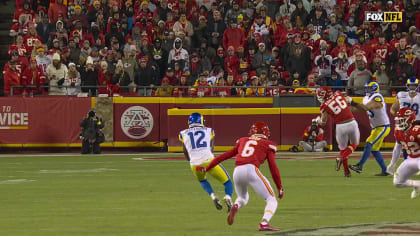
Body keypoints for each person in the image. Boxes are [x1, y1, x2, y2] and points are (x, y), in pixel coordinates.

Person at [196, 122, 283, 231]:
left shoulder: (243, 140)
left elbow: (223, 156)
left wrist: (207, 168)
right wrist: (279, 187)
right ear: (266, 133)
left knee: (242, 198)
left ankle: (236, 205)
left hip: (237, 171)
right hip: (251, 169)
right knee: (272, 200)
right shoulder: (268, 144)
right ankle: (264, 223)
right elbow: (273, 167)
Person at [178, 113, 233, 211]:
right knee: (227, 182)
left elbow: (185, 151)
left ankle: (213, 196)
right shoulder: (209, 130)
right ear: (201, 121)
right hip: (208, 160)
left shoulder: (183, 133)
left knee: (202, 180)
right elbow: (211, 148)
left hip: (194, 163)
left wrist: (191, 160)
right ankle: (228, 197)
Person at [348, 82, 391, 176]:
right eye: (366, 88)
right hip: (376, 127)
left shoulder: (377, 96)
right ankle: (385, 171)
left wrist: (353, 102)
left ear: (375, 89)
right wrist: (344, 106)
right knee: (374, 149)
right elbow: (357, 109)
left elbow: (366, 108)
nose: (367, 90)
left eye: (369, 88)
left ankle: (360, 166)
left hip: (383, 126)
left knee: (369, 142)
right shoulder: (366, 98)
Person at [316, 86, 360, 177]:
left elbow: (323, 122)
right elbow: (347, 100)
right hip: (352, 122)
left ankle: (346, 171)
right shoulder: (338, 93)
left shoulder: (324, 106)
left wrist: (317, 121)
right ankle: (342, 159)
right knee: (354, 145)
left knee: (342, 149)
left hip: (340, 126)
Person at [387, 78, 420, 174]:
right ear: (407, 86)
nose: (412, 88)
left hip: (417, 123)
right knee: (398, 144)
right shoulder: (402, 95)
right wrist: (398, 116)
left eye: (414, 86)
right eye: (411, 86)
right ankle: (392, 165)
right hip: (403, 124)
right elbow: (392, 109)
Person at [393, 107, 420, 199]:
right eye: (398, 121)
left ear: (410, 120)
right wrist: (392, 164)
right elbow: (397, 148)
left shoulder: (417, 130)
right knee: (398, 182)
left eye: (402, 120)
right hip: (410, 159)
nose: (399, 123)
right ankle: (417, 184)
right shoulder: (398, 131)